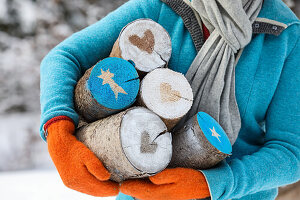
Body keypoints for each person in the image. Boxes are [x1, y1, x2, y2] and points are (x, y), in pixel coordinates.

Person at [40, 0, 300, 199]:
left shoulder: (285, 34)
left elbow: (291, 151)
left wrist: (215, 184)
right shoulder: (160, 7)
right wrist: (59, 133)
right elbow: (64, 57)